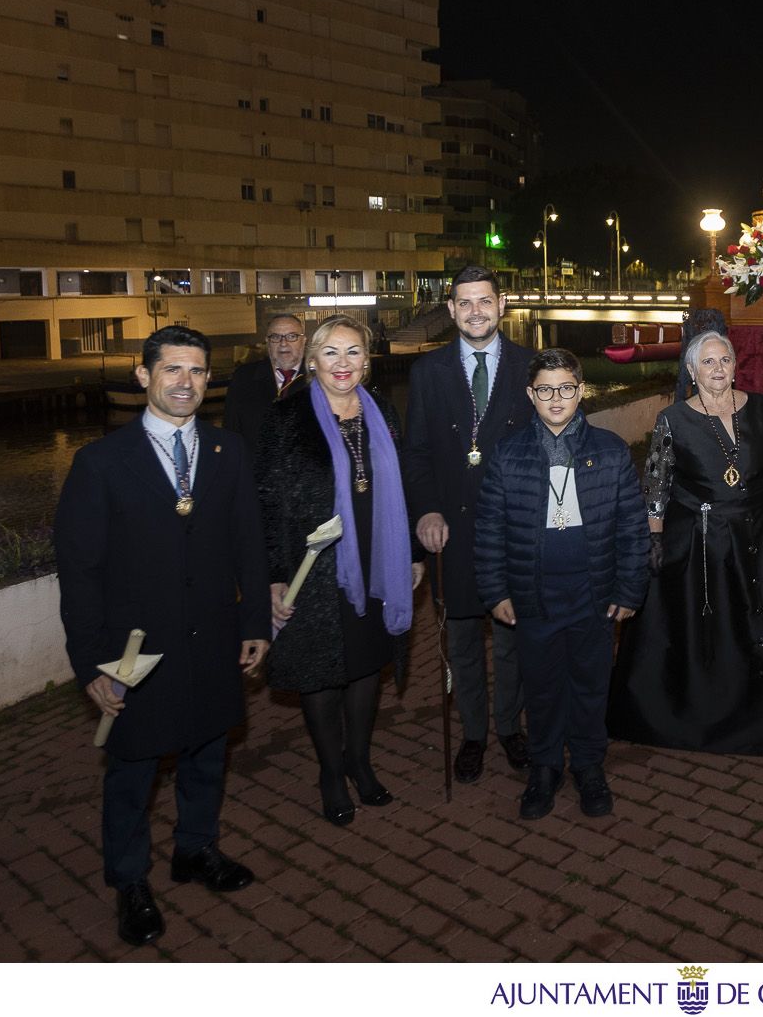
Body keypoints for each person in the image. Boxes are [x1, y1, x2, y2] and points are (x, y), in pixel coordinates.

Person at [54, 325, 271, 948]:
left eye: (198, 371)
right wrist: (92, 662)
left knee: (207, 751)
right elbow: (81, 571)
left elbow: (247, 547)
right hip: (135, 651)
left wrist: (254, 621)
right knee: (133, 768)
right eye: (173, 369)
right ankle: (129, 881)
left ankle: (195, 850)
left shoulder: (229, 452)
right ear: (143, 375)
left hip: (213, 636)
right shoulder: (101, 462)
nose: (186, 382)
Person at [609, 331, 763, 755]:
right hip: (703, 540)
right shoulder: (673, 419)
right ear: (692, 372)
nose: (719, 369)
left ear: (736, 365)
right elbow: (657, 485)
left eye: (726, 360)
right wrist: (654, 538)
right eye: (709, 363)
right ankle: (718, 714)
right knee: (716, 629)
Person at [256, 314, 421, 826]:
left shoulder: (384, 413)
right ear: (312, 361)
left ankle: (359, 760)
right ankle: (331, 771)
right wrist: (273, 574)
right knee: (322, 674)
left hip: (379, 560)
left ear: (367, 362)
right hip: (316, 570)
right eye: (331, 353)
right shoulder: (287, 418)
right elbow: (265, 500)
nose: (342, 364)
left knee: (367, 666)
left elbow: (404, 486)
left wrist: (411, 551)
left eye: (353, 353)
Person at [475, 349, 649, 820]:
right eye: (546, 389)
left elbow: (634, 528)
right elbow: (489, 529)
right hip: (533, 596)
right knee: (544, 687)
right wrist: (495, 591)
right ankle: (545, 767)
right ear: (531, 395)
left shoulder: (610, 452)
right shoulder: (508, 455)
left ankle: (590, 765)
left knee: (592, 685)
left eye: (566, 388)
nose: (557, 398)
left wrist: (630, 590)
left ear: (580, 391)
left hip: (593, 594)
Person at [404, 266, 535, 785]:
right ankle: (474, 734)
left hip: (512, 531)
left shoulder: (530, 367)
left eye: (485, 301)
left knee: (510, 638)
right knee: (460, 640)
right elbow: (414, 453)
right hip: (452, 532)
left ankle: (510, 728)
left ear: (502, 306)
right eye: (465, 303)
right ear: (452, 309)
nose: (475, 311)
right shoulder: (427, 372)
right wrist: (427, 510)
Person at [224, 314, 307, 464]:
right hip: (255, 478)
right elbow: (231, 433)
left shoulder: (319, 379)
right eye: (275, 337)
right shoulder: (244, 378)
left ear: (304, 341)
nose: (283, 343)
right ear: (267, 342)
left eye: (292, 336)